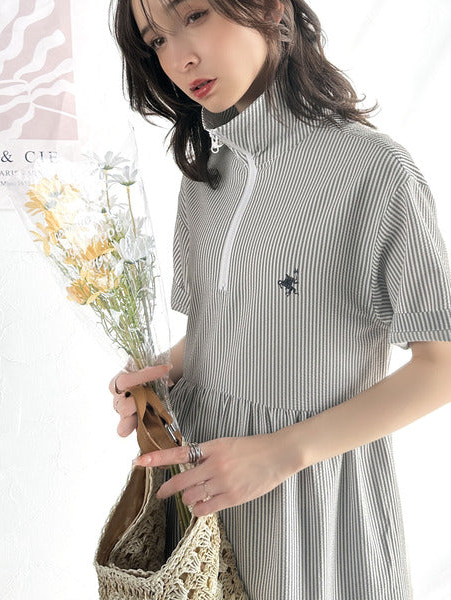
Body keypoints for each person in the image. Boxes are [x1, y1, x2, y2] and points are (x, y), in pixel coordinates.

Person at [108, 1, 451, 598]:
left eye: (195, 15)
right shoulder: (205, 180)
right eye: (156, 40)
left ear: (267, 7)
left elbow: (442, 365)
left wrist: (279, 453)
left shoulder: (374, 169)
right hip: (203, 500)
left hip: (311, 509)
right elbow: (227, 326)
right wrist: (158, 376)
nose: (179, 57)